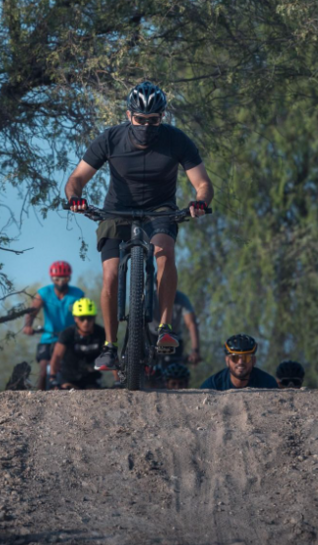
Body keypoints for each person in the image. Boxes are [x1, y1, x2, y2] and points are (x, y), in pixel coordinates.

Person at [64, 80, 213, 372]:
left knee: (165, 253)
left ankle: (165, 326)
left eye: (153, 120)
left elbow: (203, 183)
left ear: (163, 117)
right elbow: (77, 178)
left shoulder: (177, 140)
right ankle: (109, 346)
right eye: (140, 119)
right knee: (109, 276)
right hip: (116, 211)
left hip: (160, 211)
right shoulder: (110, 139)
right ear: (129, 115)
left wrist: (200, 202)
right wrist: (75, 198)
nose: (146, 125)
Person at [23, 261, 84, 390]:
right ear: (52, 278)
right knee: (44, 369)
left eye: (64, 278)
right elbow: (33, 311)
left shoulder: (78, 294)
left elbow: (84, 315)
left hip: (70, 338)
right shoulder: (44, 293)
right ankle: (39, 398)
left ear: (69, 278)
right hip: (48, 337)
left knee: (73, 370)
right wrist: (28, 325)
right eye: (57, 279)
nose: (61, 282)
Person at [48, 298, 106, 390]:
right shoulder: (67, 334)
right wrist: (52, 378)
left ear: (94, 318)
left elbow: (111, 356)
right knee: (63, 390)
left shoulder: (102, 333)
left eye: (89, 318)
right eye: (82, 318)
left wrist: (118, 380)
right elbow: (57, 356)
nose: (86, 322)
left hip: (91, 379)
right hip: (68, 378)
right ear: (75, 318)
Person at [148, 284, 202, 366]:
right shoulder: (150, 298)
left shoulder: (181, 299)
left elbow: (191, 324)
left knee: (177, 372)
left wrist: (195, 350)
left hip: (173, 338)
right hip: (151, 336)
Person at [200, 334, 278, 390]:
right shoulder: (212, 386)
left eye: (246, 357)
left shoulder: (268, 385)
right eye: (235, 358)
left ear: (253, 360)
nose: (240, 362)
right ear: (227, 360)